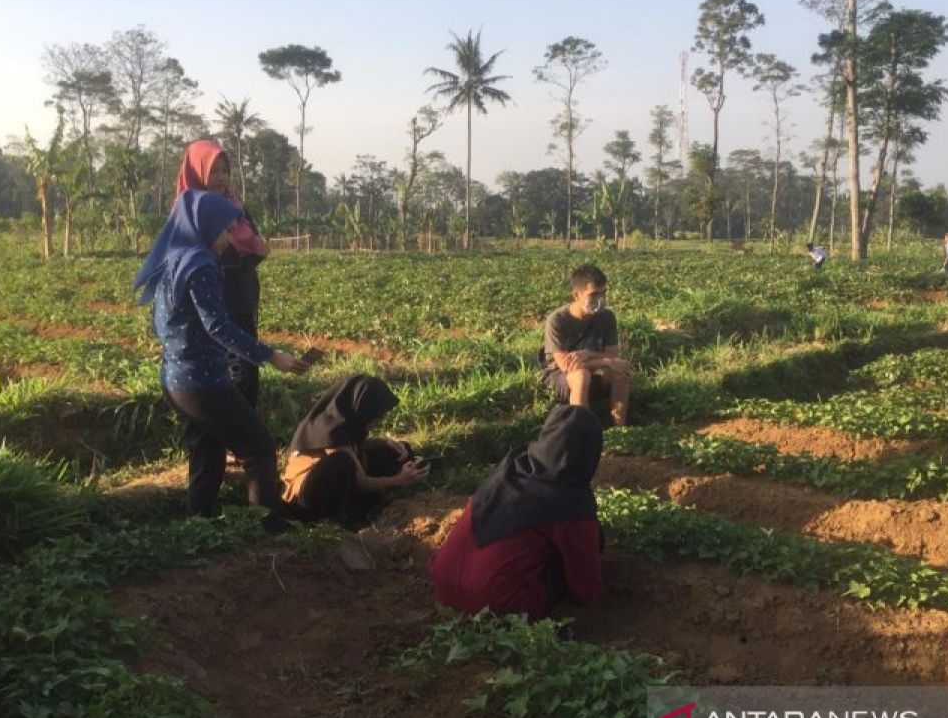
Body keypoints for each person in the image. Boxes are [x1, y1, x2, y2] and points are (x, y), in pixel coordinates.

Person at [133, 190, 308, 519]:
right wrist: (271, 355)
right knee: (258, 448)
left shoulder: (175, 258)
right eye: (227, 230)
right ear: (207, 225)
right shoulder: (201, 265)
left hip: (175, 379)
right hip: (203, 382)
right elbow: (219, 327)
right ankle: (266, 529)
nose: (231, 238)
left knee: (207, 455)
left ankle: (199, 526)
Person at [429, 406, 605, 620]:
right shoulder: (571, 500)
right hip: (493, 605)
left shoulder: (513, 467)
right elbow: (587, 590)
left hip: (443, 585)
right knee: (588, 544)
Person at [175, 140, 270, 414]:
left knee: (246, 369)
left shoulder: (235, 205)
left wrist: (249, 255)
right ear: (197, 170)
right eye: (213, 170)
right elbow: (205, 257)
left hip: (241, 296)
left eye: (224, 171)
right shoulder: (190, 212)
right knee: (228, 370)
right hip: (213, 303)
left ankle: (242, 435)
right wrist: (242, 255)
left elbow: (256, 246)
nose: (220, 178)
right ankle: (237, 437)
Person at [281, 375, 428, 527]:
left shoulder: (346, 421)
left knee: (397, 451)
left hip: (344, 473)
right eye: (375, 417)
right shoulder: (328, 430)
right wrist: (398, 480)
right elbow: (360, 481)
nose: (378, 421)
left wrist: (385, 442)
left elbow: (353, 446)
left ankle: (371, 498)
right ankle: (344, 518)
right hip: (306, 500)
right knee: (343, 462)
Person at [540, 264, 630, 426]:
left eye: (603, 293)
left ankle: (619, 429)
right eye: (594, 294)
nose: (600, 300)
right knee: (581, 375)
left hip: (593, 371)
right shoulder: (557, 320)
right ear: (576, 295)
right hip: (560, 376)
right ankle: (582, 431)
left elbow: (612, 355)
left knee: (620, 371)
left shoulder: (607, 317)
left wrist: (589, 354)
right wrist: (605, 361)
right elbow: (566, 365)